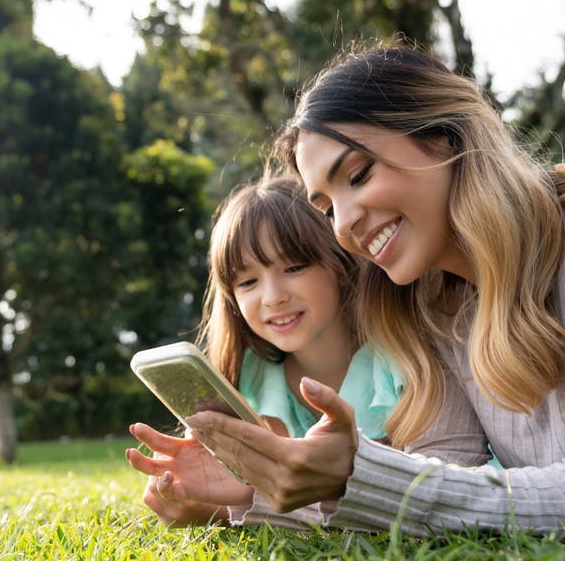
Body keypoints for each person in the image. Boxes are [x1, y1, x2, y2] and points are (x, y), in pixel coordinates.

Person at [127, 43, 565, 536]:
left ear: (445, 138)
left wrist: (353, 476)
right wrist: (252, 496)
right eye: (325, 204)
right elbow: (443, 483)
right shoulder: (428, 301)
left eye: (358, 174)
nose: (345, 226)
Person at [127, 176, 404, 527]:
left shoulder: (395, 361)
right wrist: (204, 495)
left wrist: (240, 506)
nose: (273, 297)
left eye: (293, 267)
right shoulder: (251, 377)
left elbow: (412, 490)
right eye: (248, 281)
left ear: (341, 263)